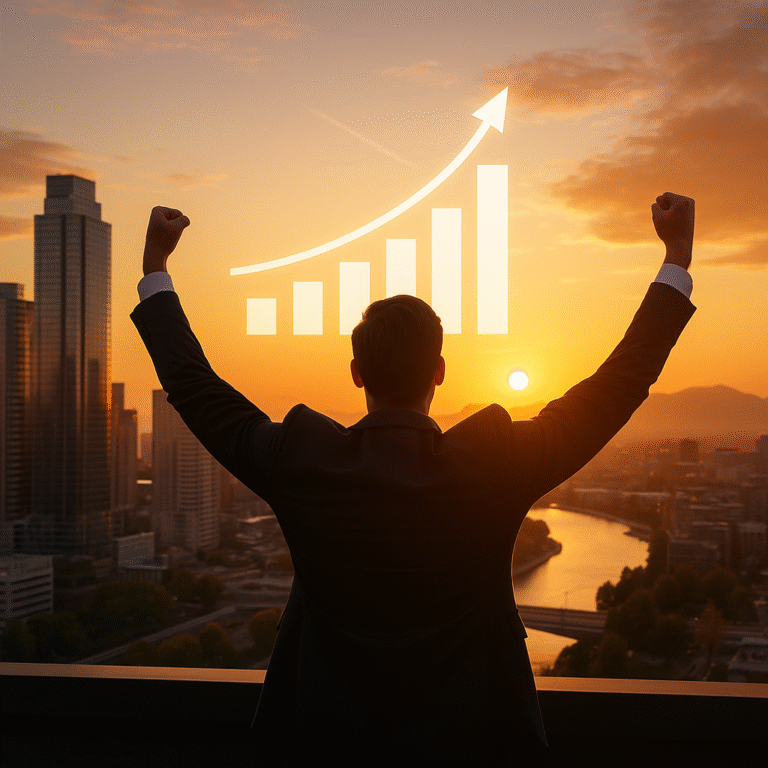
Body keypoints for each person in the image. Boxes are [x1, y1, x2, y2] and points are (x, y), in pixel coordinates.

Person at [131, 191, 696, 765]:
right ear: (440, 372)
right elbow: (612, 390)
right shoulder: (493, 463)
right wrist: (676, 256)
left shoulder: (302, 459)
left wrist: (157, 267)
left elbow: (196, 388)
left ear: (356, 373)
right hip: (472, 743)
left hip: (326, 742)